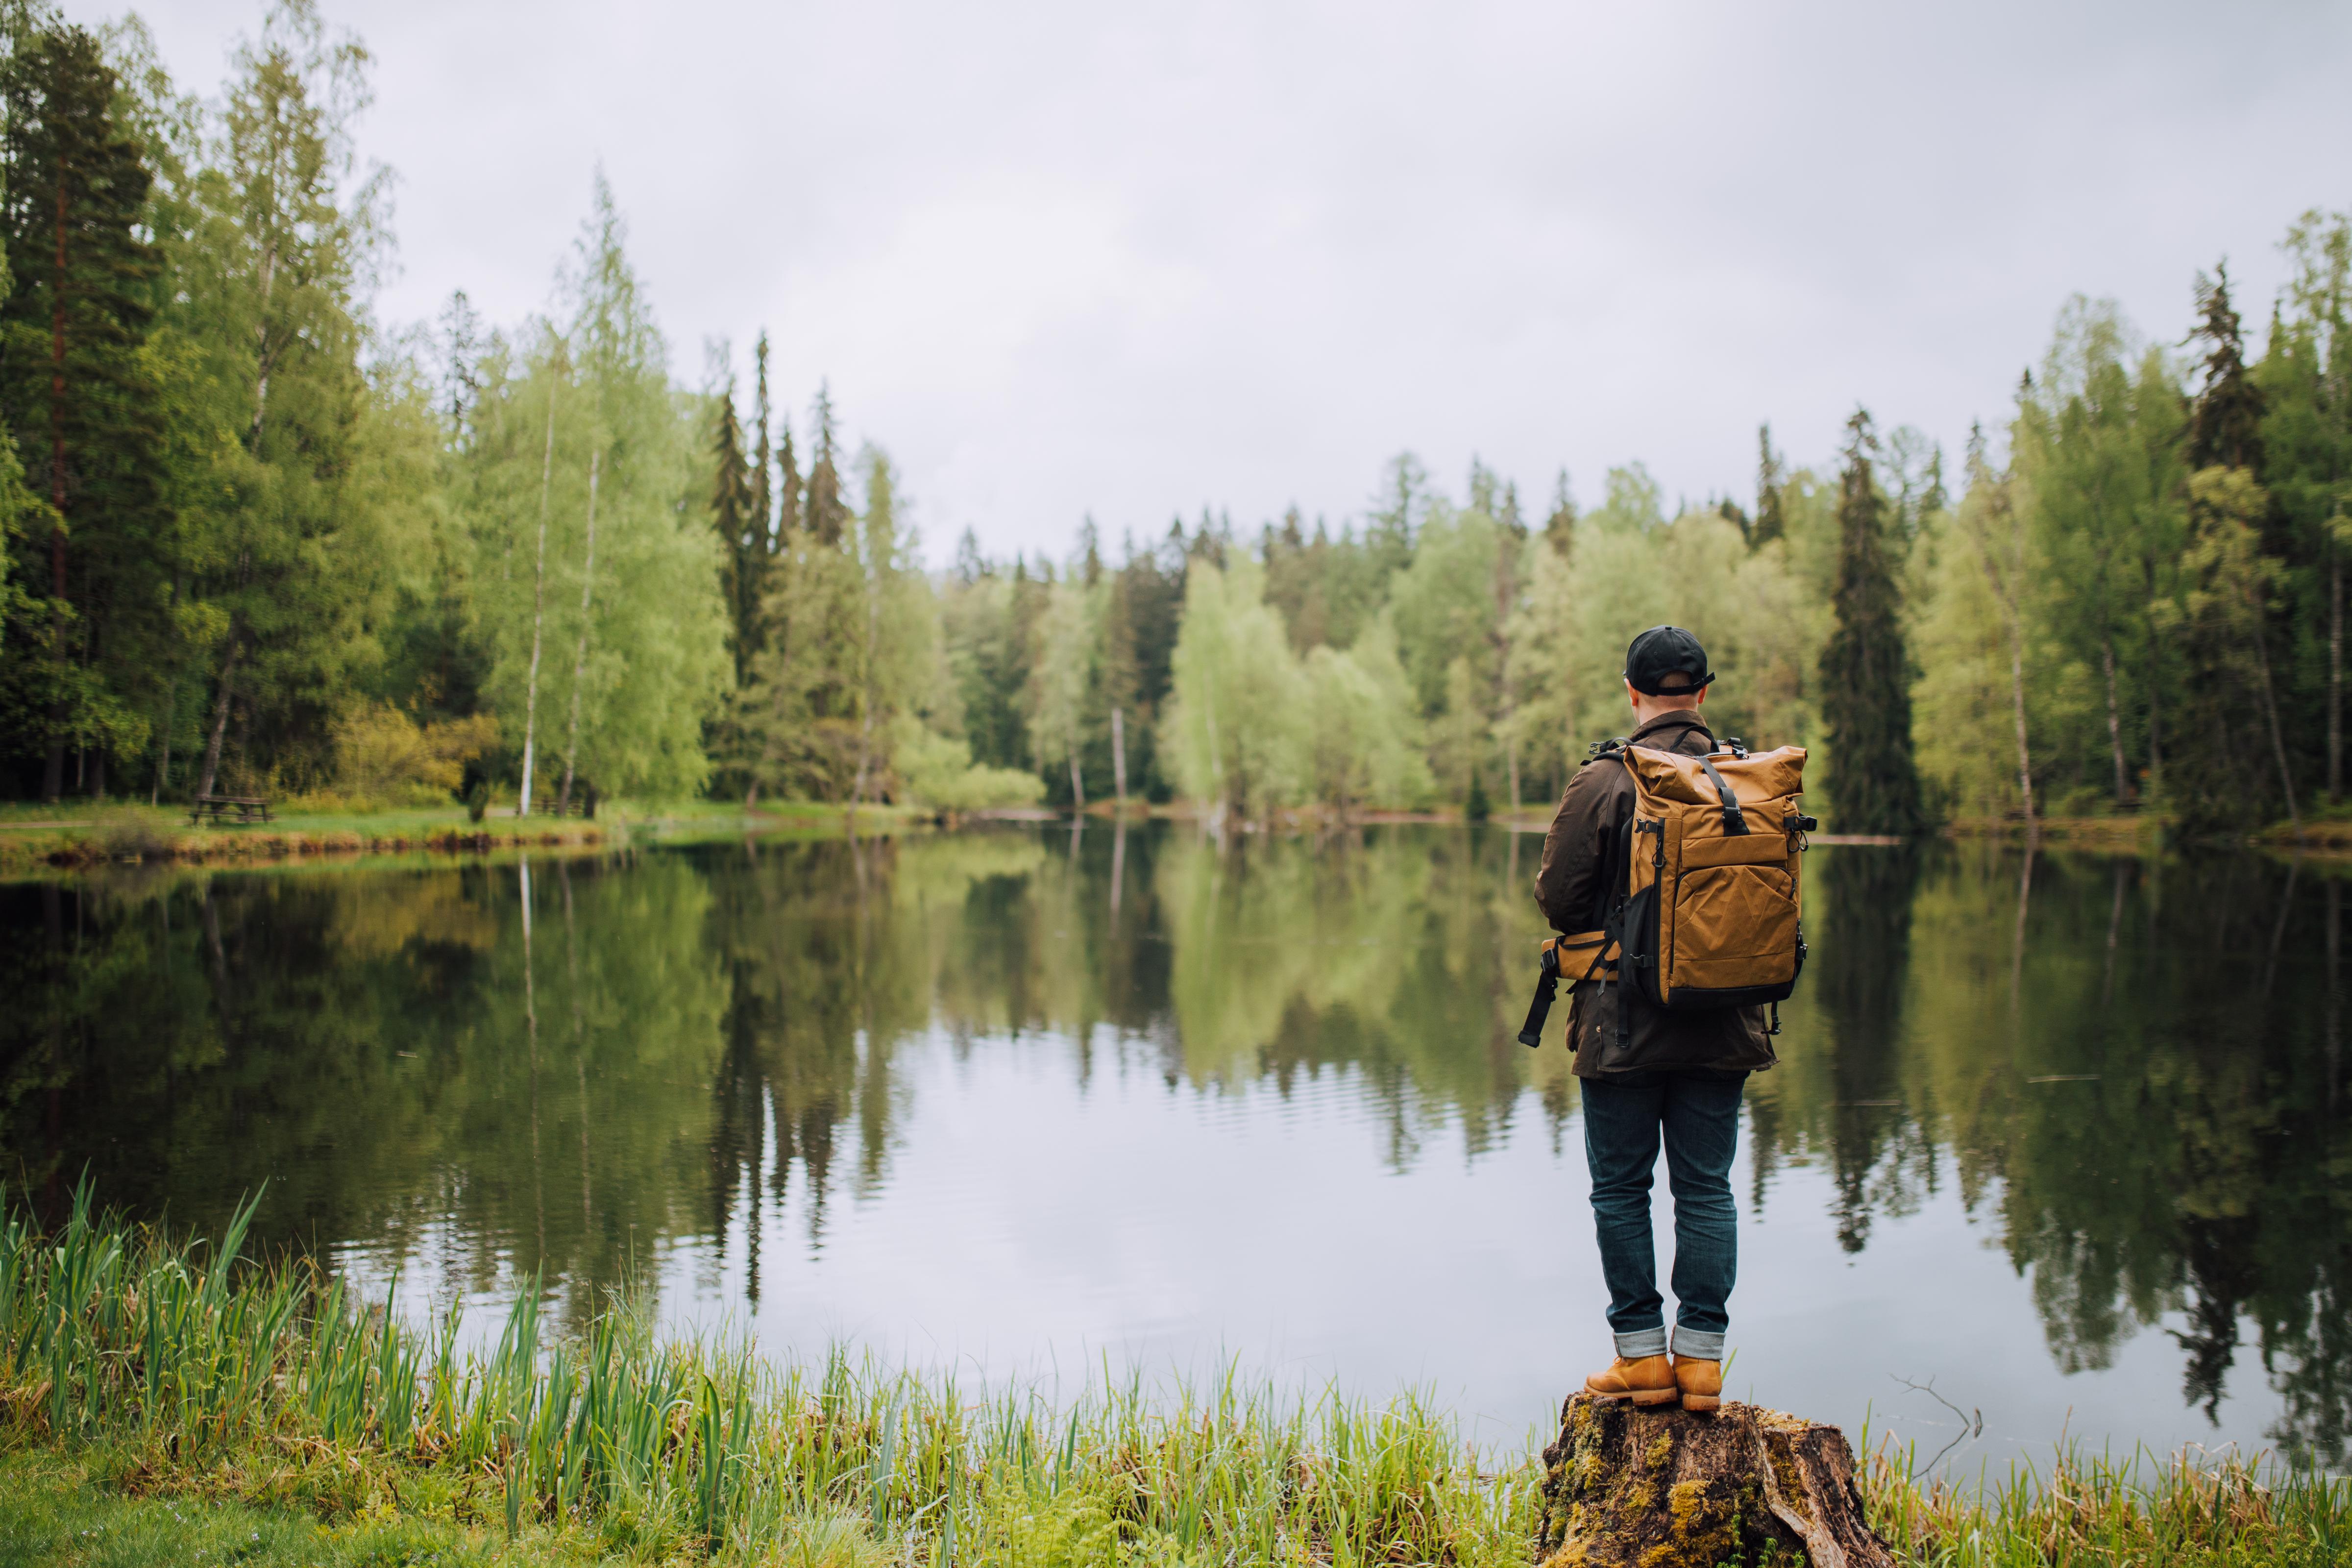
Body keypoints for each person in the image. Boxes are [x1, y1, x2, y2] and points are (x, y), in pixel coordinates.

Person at [1533, 625, 1775, 1413]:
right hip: (1726, 1023)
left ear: (1631, 692)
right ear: (1703, 693)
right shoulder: (1745, 777)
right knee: (1706, 1189)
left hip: (1624, 1025)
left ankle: (1641, 1358)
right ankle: (1701, 1362)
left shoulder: (1606, 780)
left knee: (1621, 1190)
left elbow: (1560, 900)